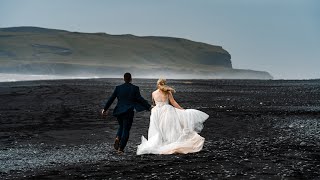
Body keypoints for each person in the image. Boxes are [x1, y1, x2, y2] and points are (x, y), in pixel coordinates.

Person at [137, 78, 209, 155]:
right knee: (169, 128)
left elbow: (154, 103)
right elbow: (173, 102)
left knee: (158, 129)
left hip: (156, 111)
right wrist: (182, 110)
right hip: (167, 110)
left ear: (157, 85)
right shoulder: (167, 92)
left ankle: (160, 142)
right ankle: (170, 142)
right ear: (164, 84)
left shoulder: (153, 93)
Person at [102, 72, 151, 154]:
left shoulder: (118, 88)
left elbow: (111, 99)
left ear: (124, 79)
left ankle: (118, 137)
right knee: (126, 129)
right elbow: (140, 99)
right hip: (128, 112)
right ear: (131, 79)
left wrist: (105, 109)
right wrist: (149, 106)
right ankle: (121, 149)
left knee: (121, 126)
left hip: (119, 111)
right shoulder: (135, 88)